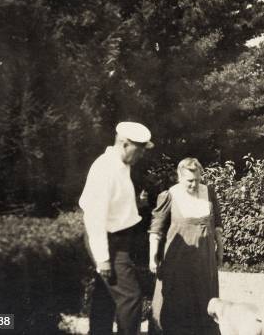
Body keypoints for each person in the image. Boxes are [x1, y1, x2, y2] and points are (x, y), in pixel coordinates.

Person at [79, 121, 154, 335]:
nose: (141, 155)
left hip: (118, 238)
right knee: (131, 297)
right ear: (123, 143)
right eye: (138, 150)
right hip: (108, 241)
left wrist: (135, 206)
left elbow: (114, 204)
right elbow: (94, 217)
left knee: (107, 295)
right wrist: (102, 258)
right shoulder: (105, 169)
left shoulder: (122, 165)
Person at [149, 158, 224, 335]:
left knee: (204, 303)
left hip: (204, 262)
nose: (194, 184)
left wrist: (220, 250)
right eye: (190, 181)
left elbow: (218, 226)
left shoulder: (209, 192)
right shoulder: (170, 195)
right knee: (176, 305)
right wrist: (153, 256)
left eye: (198, 180)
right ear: (179, 177)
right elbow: (156, 230)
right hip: (177, 262)